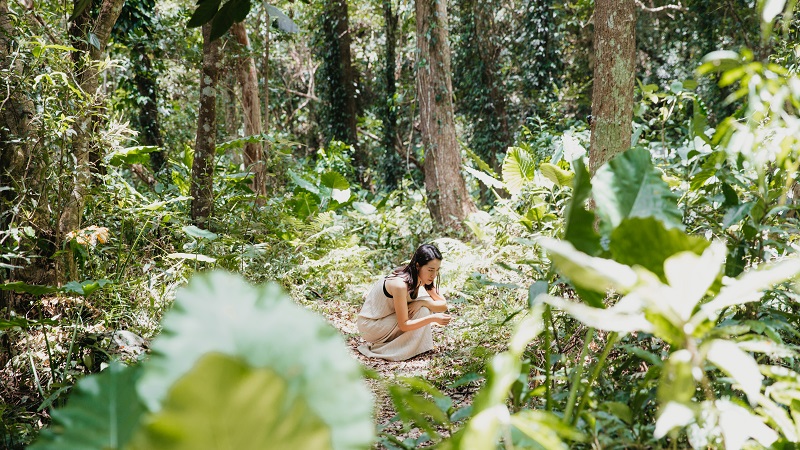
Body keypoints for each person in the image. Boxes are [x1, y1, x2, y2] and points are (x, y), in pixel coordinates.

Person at [357, 243, 452, 361]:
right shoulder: (400, 285)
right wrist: (432, 318)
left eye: (437, 270)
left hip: (384, 321)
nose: (434, 275)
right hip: (370, 326)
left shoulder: (425, 279)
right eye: (430, 270)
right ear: (418, 266)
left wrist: (422, 302)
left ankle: (406, 349)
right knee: (423, 311)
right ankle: (391, 351)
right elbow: (404, 324)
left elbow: (443, 305)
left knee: (424, 306)